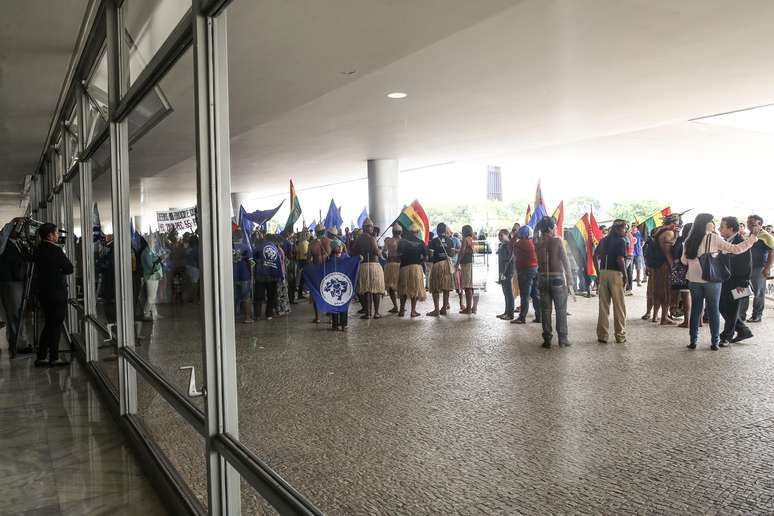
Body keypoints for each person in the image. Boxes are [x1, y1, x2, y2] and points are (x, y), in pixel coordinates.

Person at [681, 213, 758, 350]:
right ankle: (715, 342)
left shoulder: (689, 240)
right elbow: (736, 249)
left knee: (696, 310)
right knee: (713, 310)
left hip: (693, 280)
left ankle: (693, 341)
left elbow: (684, 261)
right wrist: (752, 238)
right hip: (711, 281)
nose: (714, 223)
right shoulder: (713, 238)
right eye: (712, 221)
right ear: (707, 224)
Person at [34, 223, 73, 367]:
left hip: (44, 292)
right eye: (56, 233)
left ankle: (42, 356)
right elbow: (69, 268)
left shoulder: (38, 250)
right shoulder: (55, 250)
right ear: (50, 235)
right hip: (57, 292)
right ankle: (54, 357)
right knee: (56, 325)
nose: (58, 236)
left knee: (49, 324)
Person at [535, 217, 574, 348]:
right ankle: (563, 339)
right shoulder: (557, 241)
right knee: (561, 310)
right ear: (551, 228)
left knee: (545, 310)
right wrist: (570, 279)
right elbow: (565, 261)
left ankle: (547, 339)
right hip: (557, 278)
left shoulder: (537, 242)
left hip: (542, 278)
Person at [718, 217, 753, 345]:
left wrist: (742, 283)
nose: (719, 229)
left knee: (732, 309)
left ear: (731, 228)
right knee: (721, 306)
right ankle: (743, 329)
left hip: (738, 282)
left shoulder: (741, 242)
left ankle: (726, 336)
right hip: (726, 280)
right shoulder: (725, 242)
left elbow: (747, 265)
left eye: (722, 226)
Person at [595, 220, 628, 344]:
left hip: (603, 273)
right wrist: (625, 276)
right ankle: (620, 335)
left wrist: (599, 273)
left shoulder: (603, 240)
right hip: (616, 274)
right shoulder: (621, 241)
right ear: (618, 229)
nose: (625, 231)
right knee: (619, 306)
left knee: (603, 306)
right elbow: (620, 259)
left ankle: (602, 335)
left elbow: (594, 255)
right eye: (624, 229)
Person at [0, 229, 30, 355]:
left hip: (16, 281)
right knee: (15, 314)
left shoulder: (18, 244)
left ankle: (17, 342)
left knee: (16, 314)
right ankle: (19, 344)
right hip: (10, 281)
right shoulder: (4, 244)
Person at [741, 215, 773, 323]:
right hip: (745, 268)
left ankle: (757, 315)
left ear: (760, 225)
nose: (750, 226)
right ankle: (741, 315)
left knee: (758, 292)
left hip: (759, 268)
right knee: (743, 291)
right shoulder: (747, 235)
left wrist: (767, 268)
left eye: (753, 224)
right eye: (749, 224)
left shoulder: (766, 236)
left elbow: (771, 252)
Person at [352, 218, 385, 319]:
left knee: (366, 290)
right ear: (368, 228)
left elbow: (353, 252)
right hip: (373, 266)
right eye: (371, 227)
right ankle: (376, 313)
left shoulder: (358, 240)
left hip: (363, 266)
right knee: (375, 290)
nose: (372, 229)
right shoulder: (372, 239)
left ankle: (368, 313)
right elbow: (376, 253)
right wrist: (381, 250)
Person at [650, 214, 680, 325]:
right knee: (666, 291)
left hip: (658, 266)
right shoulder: (669, 233)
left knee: (657, 291)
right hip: (665, 266)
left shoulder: (659, 232)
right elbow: (667, 253)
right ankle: (664, 318)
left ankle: (655, 316)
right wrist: (673, 267)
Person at [512, 225, 540, 324]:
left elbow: (512, 247)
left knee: (524, 295)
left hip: (525, 271)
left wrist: (515, 236)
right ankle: (539, 316)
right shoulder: (533, 243)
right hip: (535, 269)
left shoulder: (520, 243)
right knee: (535, 294)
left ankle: (522, 317)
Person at [427, 223, 457, 316]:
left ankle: (436, 310)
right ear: (445, 230)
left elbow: (431, 256)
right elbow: (452, 254)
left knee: (435, 287)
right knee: (446, 287)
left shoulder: (433, 241)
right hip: (447, 265)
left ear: (437, 230)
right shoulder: (450, 241)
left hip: (437, 265)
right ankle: (444, 308)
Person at [397, 225, 427, 317]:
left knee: (403, 289)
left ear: (409, 232)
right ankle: (413, 311)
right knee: (415, 289)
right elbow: (425, 257)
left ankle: (401, 310)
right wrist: (419, 261)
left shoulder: (402, 241)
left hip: (404, 267)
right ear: (417, 232)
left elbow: (398, 254)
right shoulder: (421, 242)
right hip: (416, 267)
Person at [253, 231, 283, 321]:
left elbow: (253, 258)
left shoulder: (259, 246)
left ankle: (257, 315)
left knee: (258, 296)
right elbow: (279, 263)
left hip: (260, 275)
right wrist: (280, 275)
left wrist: (254, 271)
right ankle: (268, 314)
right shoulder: (275, 248)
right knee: (271, 296)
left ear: (265, 238)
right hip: (273, 276)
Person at [307, 224, 331, 323]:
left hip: (317, 271)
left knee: (316, 293)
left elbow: (308, 260)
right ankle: (331, 318)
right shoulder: (330, 242)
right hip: (328, 271)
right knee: (329, 293)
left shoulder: (311, 244)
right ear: (324, 231)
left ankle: (317, 318)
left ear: (316, 233)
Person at [670, 223, 693, 328]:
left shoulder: (681, 240)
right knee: (694, 296)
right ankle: (699, 320)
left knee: (685, 295)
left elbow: (674, 253)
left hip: (680, 271)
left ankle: (687, 321)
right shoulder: (694, 240)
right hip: (691, 269)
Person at [232, 230, 254, 323]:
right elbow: (251, 262)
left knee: (233, 297)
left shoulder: (228, 247)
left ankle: (232, 318)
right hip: (245, 276)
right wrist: (253, 274)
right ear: (241, 237)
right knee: (246, 297)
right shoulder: (245, 247)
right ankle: (247, 318)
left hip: (233, 276)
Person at [140, 237, 163, 321]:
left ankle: (154, 313)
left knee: (152, 297)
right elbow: (151, 266)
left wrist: (159, 259)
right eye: (154, 240)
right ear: (148, 241)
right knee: (151, 297)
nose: (155, 241)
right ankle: (146, 313)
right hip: (151, 277)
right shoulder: (146, 253)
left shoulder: (150, 251)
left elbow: (155, 261)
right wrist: (159, 260)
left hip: (154, 276)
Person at [456, 225, 477, 314]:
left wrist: (457, 263)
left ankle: (468, 308)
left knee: (467, 286)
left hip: (466, 264)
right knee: (472, 286)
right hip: (472, 264)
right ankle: (473, 307)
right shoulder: (473, 239)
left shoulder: (465, 239)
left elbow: (462, 251)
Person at [329, 239, 349, 331]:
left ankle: (344, 324)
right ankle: (335, 324)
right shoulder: (329, 259)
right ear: (333, 248)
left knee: (344, 304)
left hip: (344, 284)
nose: (340, 247)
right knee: (334, 305)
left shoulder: (345, 257)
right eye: (338, 246)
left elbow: (352, 263)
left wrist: (358, 259)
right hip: (334, 285)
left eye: (340, 245)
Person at [382, 224, 402, 313]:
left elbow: (383, 252)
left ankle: (396, 306)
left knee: (391, 286)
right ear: (400, 232)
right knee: (400, 286)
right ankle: (401, 306)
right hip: (400, 265)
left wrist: (386, 257)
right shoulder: (403, 241)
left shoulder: (389, 241)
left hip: (391, 264)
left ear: (393, 232)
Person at [495, 229, 515, 320]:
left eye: (501, 235)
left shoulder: (509, 245)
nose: (500, 237)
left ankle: (510, 314)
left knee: (509, 293)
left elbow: (509, 259)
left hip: (507, 271)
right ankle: (506, 312)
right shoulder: (503, 245)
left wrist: (503, 273)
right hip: (503, 271)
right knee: (505, 293)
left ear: (507, 235)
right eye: (499, 235)